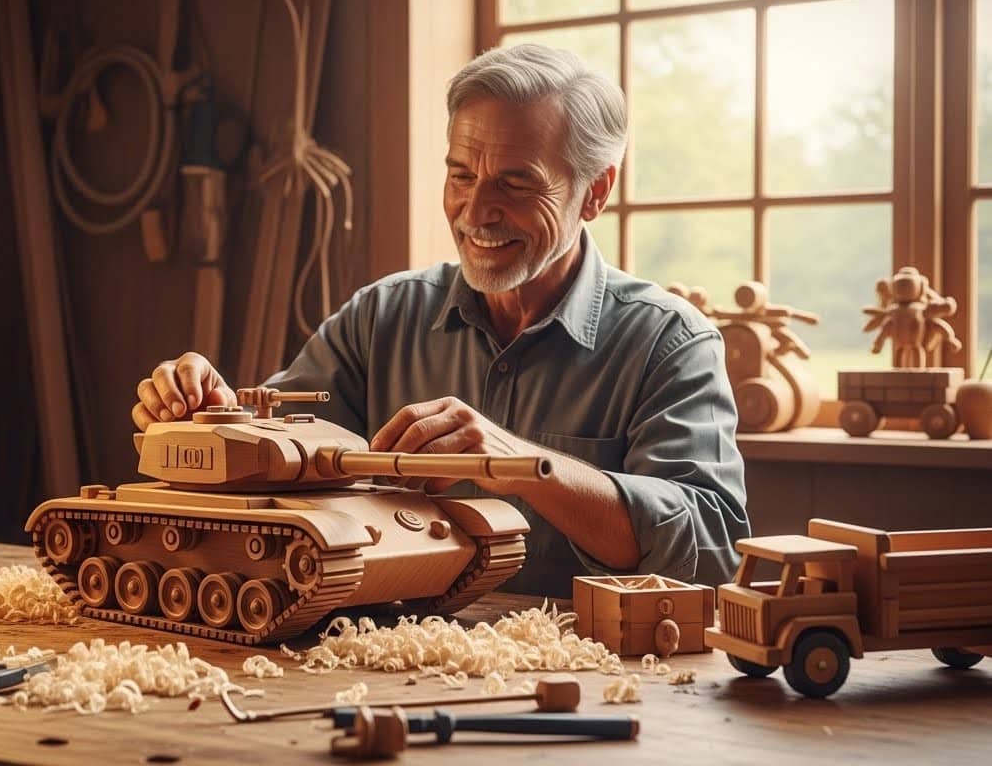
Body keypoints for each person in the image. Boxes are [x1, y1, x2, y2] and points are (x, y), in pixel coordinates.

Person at [132, 44, 748, 597]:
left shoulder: (671, 342)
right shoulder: (379, 317)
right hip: (384, 657)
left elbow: (711, 554)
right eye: (460, 174)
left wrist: (528, 468)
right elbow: (280, 452)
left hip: (592, 675)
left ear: (594, 192)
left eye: (515, 182)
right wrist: (213, 419)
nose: (475, 211)